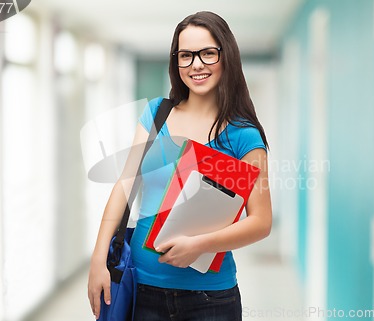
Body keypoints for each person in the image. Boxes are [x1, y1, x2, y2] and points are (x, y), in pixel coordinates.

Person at [88, 11, 272, 321]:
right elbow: (124, 185)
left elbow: (261, 221)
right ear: (176, 62)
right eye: (186, 55)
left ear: (226, 56)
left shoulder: (242, 135)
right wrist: (97, 257)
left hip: (210, 299)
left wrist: (200, 244)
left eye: (207, 53)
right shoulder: (156, 115)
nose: (196, 64)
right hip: (142, 289)